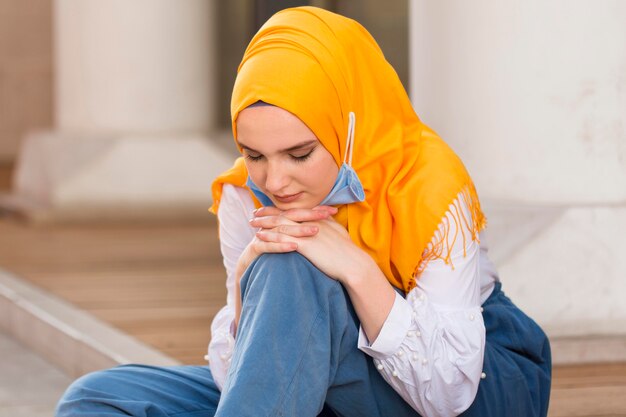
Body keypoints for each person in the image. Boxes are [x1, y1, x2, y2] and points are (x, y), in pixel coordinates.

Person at [56, 6, 551, 417]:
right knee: (97, 401)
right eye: (253, 155)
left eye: (299, 154)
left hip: (470, 383)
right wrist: (242, 288)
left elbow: (446, 394)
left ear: (348, 127)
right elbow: (242, 378)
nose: (274, 182)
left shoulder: (433, 184)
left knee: (292, 266)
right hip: (319, 385)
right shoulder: (242, 196)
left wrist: (356, 268)